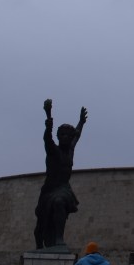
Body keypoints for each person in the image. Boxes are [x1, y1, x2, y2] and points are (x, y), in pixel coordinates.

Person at [34, 99, 88, 249]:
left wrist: (81, 122)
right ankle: (39, 246)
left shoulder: (70, 150)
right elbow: (47, 139)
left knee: (60, 202)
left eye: (68, 135)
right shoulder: (53, 151)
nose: (65, 137)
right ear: (58, 136)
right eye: (62, 134)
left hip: (63, 188)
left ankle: (59, 238)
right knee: (40, 227)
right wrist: (48, 123)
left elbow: (77, 135)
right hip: (49, 189)